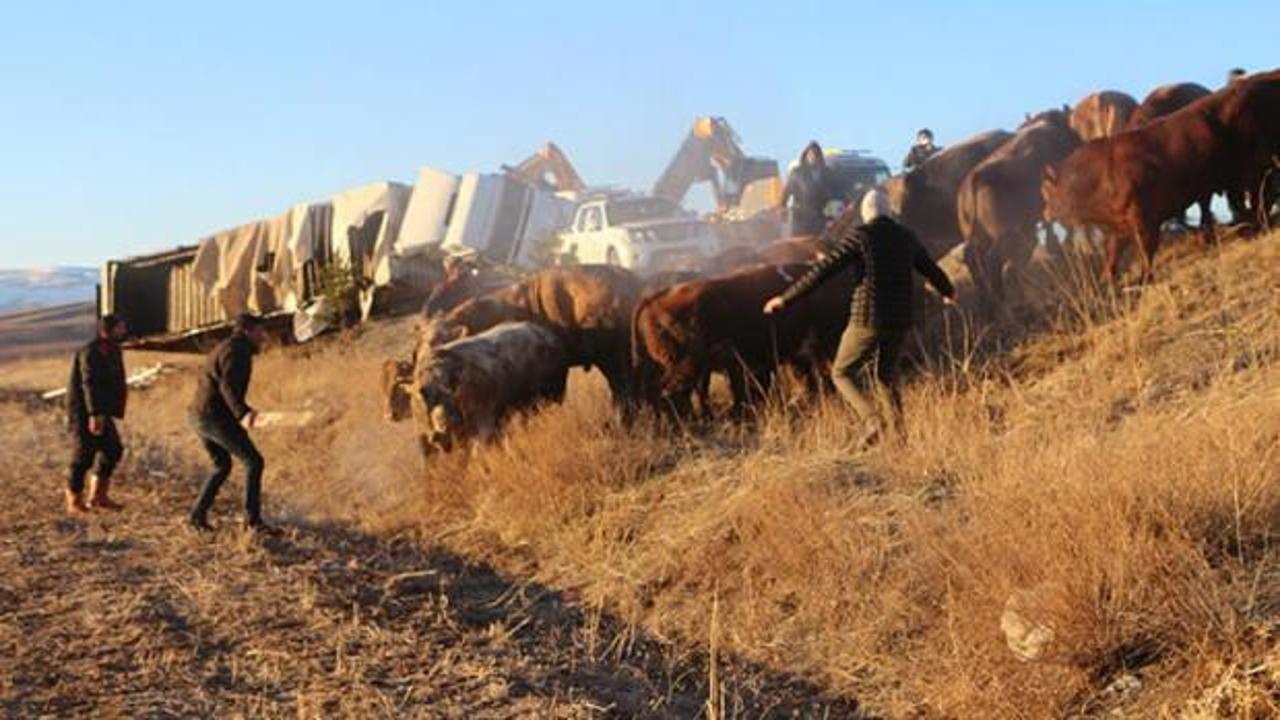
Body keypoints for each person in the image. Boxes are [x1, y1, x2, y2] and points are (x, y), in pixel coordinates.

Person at [762, 193, 957, 447]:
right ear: (888, 212)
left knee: (842, 373)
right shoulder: (906, 237)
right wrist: (948, 291)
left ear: (866, 213)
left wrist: (786, 298)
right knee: (886, 377)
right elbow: (930, 268)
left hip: (867, 318)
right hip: (899, 321)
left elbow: (823, 271)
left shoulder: (861, 236)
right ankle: (899, 439)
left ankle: (871, 420)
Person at [188, 313, 273, 533]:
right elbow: (228, 386)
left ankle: (196, 517)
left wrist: (242, 410)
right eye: (259, 332)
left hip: (201, 415)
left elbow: (223, 385)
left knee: (221, 466)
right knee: (254, 462)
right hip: (213, 417)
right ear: (247, 330)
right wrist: (242, 413)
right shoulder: (237, 350)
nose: (262, 337)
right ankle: (252, 522)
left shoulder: (229, 347)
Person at [65, 314, 129, 514]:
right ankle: (74, 500)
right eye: (120, 328)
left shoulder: (112, 350)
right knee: (83, 455)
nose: (124, 331)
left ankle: (98, 496)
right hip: (85, 412)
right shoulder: (91, 352)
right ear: (106, 331)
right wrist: (94, 414)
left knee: (113, 450)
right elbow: (89, 384)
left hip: (102, 411)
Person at [780, 141, 835, 237]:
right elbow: (785, 195)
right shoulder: (797, 173)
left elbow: (831, 198)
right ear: (805, 155)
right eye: (811, 154)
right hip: (801, 219)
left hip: (820, 219)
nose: (813, 157)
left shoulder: (827, 173)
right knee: (799, 248)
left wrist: (830, 218)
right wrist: (783, 212)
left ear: (820, 156)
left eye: (816, 154)